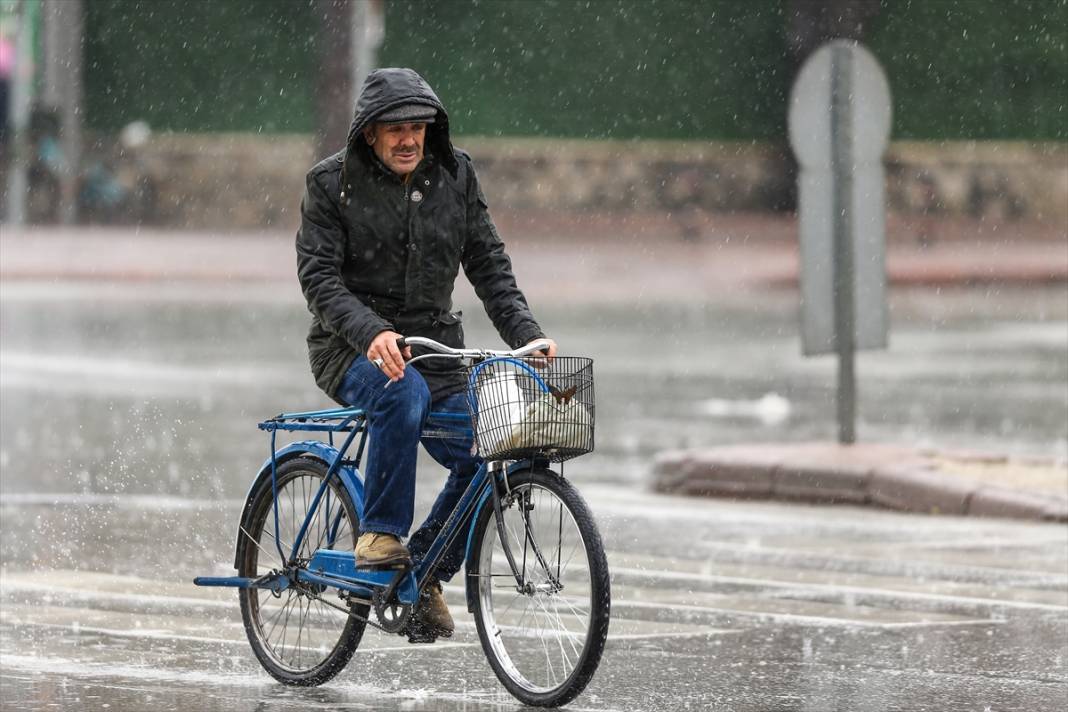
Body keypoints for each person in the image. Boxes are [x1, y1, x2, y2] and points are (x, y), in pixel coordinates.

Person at [295, 68, 556, 642]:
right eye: (395, 129)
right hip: (351, 349)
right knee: (400, 390)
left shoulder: (455, 175)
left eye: (417, 127)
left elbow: (488, 264)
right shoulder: (331, 184)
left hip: (437, 351)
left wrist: (527, 337)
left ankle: (426, 572)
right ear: (369, 134)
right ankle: (379, 535)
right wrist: (370, 333)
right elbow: (319, 278)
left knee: (493, 441)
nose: (408, 139)